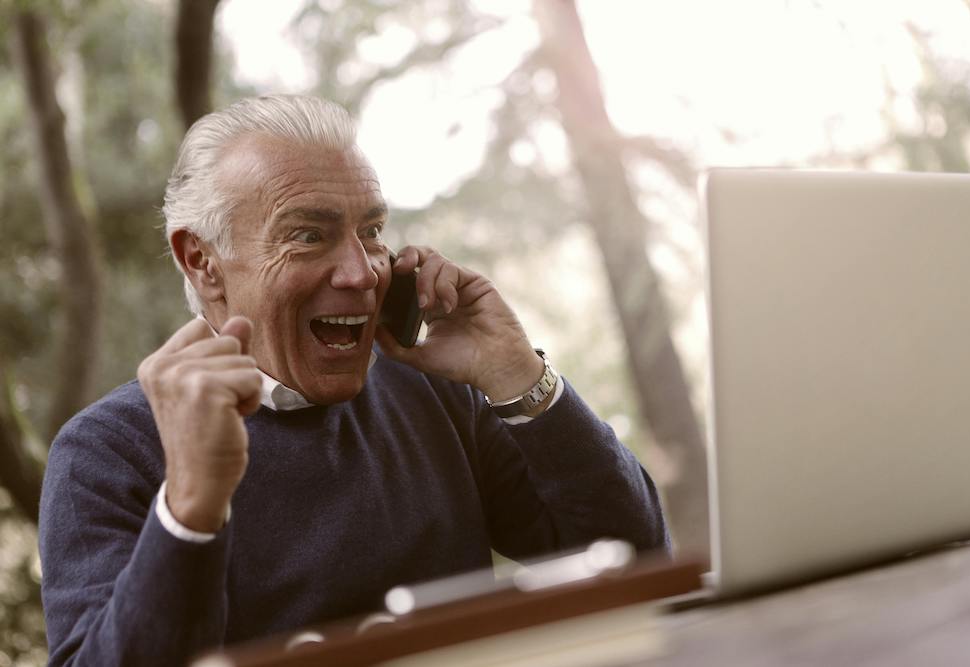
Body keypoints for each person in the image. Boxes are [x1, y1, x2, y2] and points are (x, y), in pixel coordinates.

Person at [38, 95, 668, 666]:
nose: (363, 273)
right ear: (202, 261)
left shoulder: (434, 391)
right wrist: (192, 507)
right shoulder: (104, 451)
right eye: (309, 236)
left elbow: (637, 560)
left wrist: (517, 374)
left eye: (370, 232)